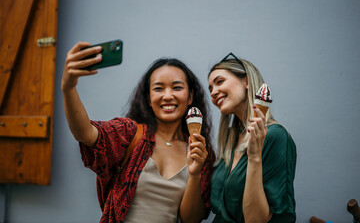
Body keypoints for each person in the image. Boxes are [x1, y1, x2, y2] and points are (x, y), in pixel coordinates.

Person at [61, 42, 215, 223]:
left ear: (190, 97)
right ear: (149, 99)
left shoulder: (200, 151)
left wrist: (195, 174)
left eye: (177, 87)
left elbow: (191, 219)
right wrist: (68, 87)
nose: (167, 95)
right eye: (158, 88)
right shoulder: (128, 134)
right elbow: (85, 133)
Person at [208, 53, 296, 223]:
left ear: (246, 81)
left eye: (219, 82)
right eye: (210, 88)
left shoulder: (275, 136)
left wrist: (254, 158)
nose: (213, 92)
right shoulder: (229, 140)